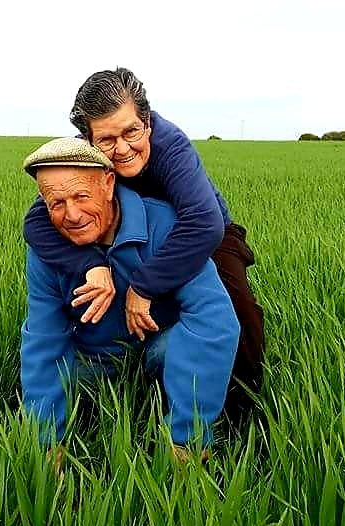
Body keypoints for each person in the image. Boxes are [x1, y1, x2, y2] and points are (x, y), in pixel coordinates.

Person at [23, 68, 265, 418]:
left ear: (147, 123)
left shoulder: (170, 146)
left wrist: (144, 286)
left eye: (131, 132)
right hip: (124, 224)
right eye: (107, 140)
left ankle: (241, 402)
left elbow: (204, 223)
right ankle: (136, 365)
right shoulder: (81, 163)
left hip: (202, 231)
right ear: (88, 139)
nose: (122, 149)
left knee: (231, 304)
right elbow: (37, 222)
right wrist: (90, 264)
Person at [19, 137, 239, 460]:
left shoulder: (164, 226)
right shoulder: (46, 251)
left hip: (159, 350)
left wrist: (187, 440)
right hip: (96, 358)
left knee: (177, 345)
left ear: (109, 184)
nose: (72, 215)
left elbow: (215, 318)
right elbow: (44, 337)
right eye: (57, 203)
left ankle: (180, 429)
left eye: (81, 196)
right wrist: (46, 445)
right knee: (59, 377)